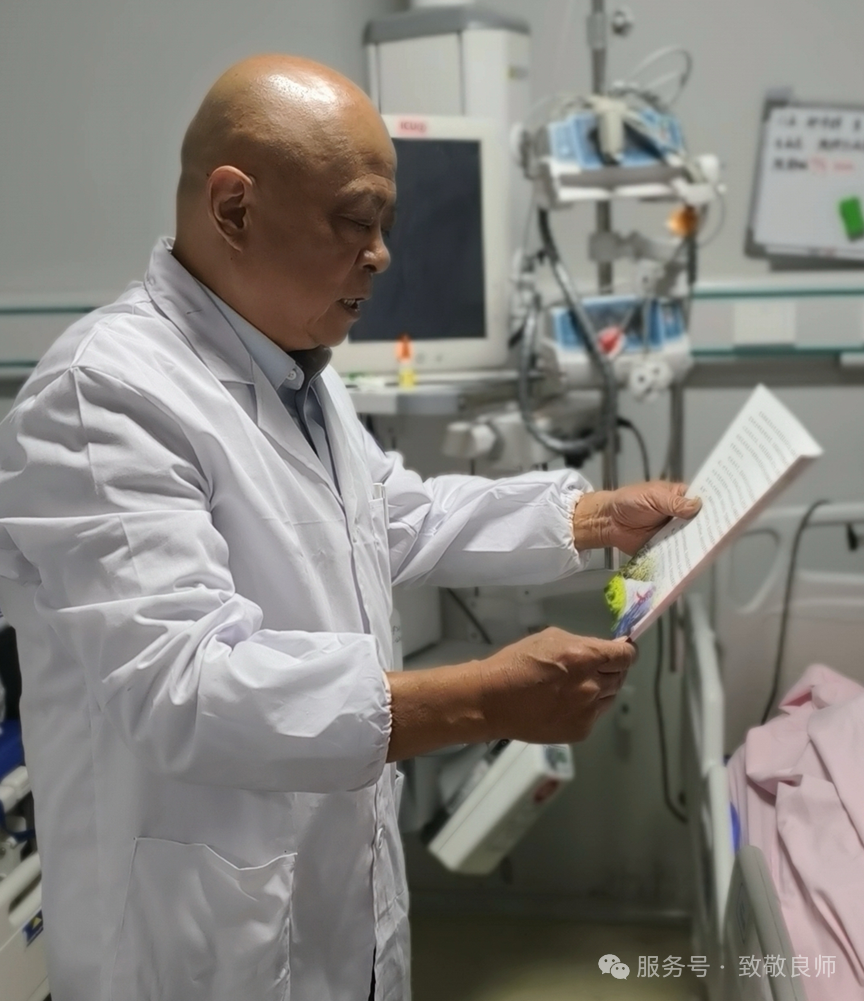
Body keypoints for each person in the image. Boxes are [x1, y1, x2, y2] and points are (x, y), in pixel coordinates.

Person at [0, 55, 700, 1001]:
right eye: (355, 221)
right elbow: (186, 687)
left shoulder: (299, 366)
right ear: (234, 208)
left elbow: (391, 512)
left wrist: (595, 517)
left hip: (338, 910)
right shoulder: (103, 394)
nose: (379, 256)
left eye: (385, 226)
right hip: (190, 948)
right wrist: (482, 700)